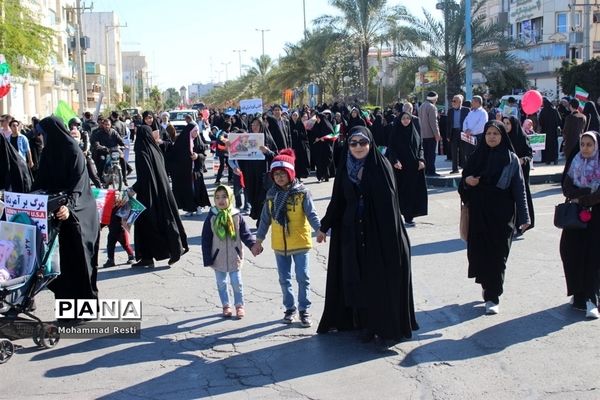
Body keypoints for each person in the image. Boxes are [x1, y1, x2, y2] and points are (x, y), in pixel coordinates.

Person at [316, 126, 418, 342]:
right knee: (356, 278)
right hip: (352, 232)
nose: (358, 147)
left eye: (363, 142)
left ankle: (379, 325)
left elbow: (390, 206)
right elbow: (338, 201)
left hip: (378, 233)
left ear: (371, 144)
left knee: (377, 280)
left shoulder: (381, 167)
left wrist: (391, 240)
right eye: (353, 143)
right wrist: (324, 227)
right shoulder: (345, 168)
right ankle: (362, 322)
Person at [458, 120, 530, 315]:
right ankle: (486, 286)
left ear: (502, 136)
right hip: (479, 215)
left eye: (495, 134)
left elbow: (519, 189)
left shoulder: (511, 159)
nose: (491, 137)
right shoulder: (476, 156)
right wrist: (467, 181)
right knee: (480, 255)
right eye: (488, 133)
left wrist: (524, 217)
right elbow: (463, 182)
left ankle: (493, 295)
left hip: (502, 215)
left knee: (499, 256)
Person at [34, 116, 100, 301]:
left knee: (80, 264)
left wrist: (68, 206)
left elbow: (78, 185)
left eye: (44, 134)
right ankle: (66, 311)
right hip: (57, 216)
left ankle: (85, 310)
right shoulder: (48, 153)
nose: (42, 138)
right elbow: (40, 182)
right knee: (60, 267)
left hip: (79, 214)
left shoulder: (73, 151)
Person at [252, 149, 321, 327]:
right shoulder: (271, 196)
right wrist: (258, 241)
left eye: (283, 174)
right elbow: (265, 220)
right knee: (284, 278)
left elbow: (311, 214)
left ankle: (304, 310)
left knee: (302, 277)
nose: (280, 177)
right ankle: (290, 308)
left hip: (300, 241)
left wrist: (320, 230)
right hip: (279, 244)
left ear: (290, 174)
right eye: (276, 174)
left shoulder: (302, 193)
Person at [127, 120, 189, 268]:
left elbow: (145, 177)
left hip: (149, 194)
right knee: (158, 221)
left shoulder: (142, 152)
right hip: (162, 192)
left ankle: (174, 250)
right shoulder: (155, 149)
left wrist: (132, 190)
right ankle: (147, 257)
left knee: (150, 224)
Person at [559, 131, 600, 319]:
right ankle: (578, 293)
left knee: (593, 257)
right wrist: (580, 194)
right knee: (570, 252)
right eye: (582, 144)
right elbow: (566, 187)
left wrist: (583, 197)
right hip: (576, 217)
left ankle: (593, 299)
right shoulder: (575, 162)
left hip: (596, 218)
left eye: (589, 145)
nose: (585, 148)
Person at [202, 185, 257, 319]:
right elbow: (206, 239)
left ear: (231, 198)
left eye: (224, 197)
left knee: (236, 282)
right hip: (217, 257)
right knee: (221, 283)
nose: (221, 200)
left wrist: (253, 245)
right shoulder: (212, 217)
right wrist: (208, 258)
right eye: (217, 197)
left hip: (234, 256)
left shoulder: (236, 215)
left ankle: (239, 305)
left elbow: (245, 234)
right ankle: (226, 305)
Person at [387, 112, 428, 227]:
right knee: (400, 192)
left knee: (412, 192)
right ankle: (398, 215)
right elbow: (391, 148)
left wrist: (421, 160)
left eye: (408, 118)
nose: (406, 120)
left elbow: (420, 147)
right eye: (403, 118)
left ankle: (409, 216)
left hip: (414, 168)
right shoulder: (395, 133)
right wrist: (395, 161)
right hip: (400, 168)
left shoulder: (415, 132)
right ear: (399, 120)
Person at [237, 117, 278, 222]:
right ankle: (260, 218)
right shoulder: (247, 138)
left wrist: (267, 151)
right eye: (252, 125)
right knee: (252, 197)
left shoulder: (267, 139)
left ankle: (262, 220)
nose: (254, 127)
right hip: (250, 174)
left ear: (262, 126)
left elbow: (276, 156)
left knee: (262, 199)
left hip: (263, 175)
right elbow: (241, 155)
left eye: (257, 125)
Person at [170, 116, 210, 215]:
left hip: (196, 171)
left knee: (197, 188)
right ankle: (190, 208)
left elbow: (203, 155)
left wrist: (197, 156)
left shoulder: (198, 141)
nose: (196, 133)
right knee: (188, 190)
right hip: (185, 172)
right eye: (195, 131)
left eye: (197, 131)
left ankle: (198, 206)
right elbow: (174, 156)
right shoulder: (181, 142)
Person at [504, 116, 535, 232]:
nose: (506, 125)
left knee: (522, 196)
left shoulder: (522, 137)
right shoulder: (503, 138)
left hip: (520, 173)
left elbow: (529, 154)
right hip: (507, 174)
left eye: (508, 123)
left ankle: (523, 223)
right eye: (504, 123)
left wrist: (523, 160)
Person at [90, 118, 128, 186]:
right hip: (104, 151)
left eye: (108, 124)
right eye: (105, 124)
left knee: (122, 159)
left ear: (110, 125)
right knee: (102, 160)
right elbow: (96, 143)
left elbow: (119, 140)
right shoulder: (98, 133)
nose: (107, 126)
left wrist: (124, 145)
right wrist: (101, 147)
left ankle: (124, 178)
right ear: (103, 125)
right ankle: (101, 177)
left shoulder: (113, 132)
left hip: (114, 150)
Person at [419, 91, 442, 176]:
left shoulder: (421, 106)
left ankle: (426, 171)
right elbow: (433, 123)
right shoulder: (432, 107)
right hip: (431, 135)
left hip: (423, 135)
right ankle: (431, 171)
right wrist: (437, 135)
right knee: (431, 154)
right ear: (434, 99)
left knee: (425, 154)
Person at [447, 94, 470, 173]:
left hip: (463, 132)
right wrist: (448, 135)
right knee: (454, 152)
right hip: (453, 132)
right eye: (452, 101)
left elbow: (469, 122)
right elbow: (448, 123)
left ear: (460, 102)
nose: (452, 102)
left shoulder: (466, 110)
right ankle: (455, 169)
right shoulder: (450, 111)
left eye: (454, 101)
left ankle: (465, 169)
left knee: (464, 151)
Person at [462, 96, 488, 161]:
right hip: (468, 137)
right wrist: (466, 130)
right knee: (468, 154)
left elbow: (482, 125)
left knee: (477, 155)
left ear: (477, 102)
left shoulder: (483, 113)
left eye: (472, 102)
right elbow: (465, 121)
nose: (471, 104)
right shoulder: (471, 112)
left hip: (478, 137)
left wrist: (471, 131)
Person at [538, 97, 562, 165]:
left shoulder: (543, 111)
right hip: (554, 132)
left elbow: (540, 122)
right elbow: (559, 121)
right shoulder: (554, 110)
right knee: (554, 146)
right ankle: (555, 159)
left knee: (547, 147)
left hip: (545, 131)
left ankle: (547, 160)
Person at [289, 111, 311, 180]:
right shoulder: (289, 123)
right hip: (292, 145)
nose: (294, 117)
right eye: (293, 115)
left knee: (299, 161)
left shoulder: (300, 124)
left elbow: (304, 135)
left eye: (296, 115)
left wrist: (298, 133)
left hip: (300, 146)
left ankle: (298, 176)